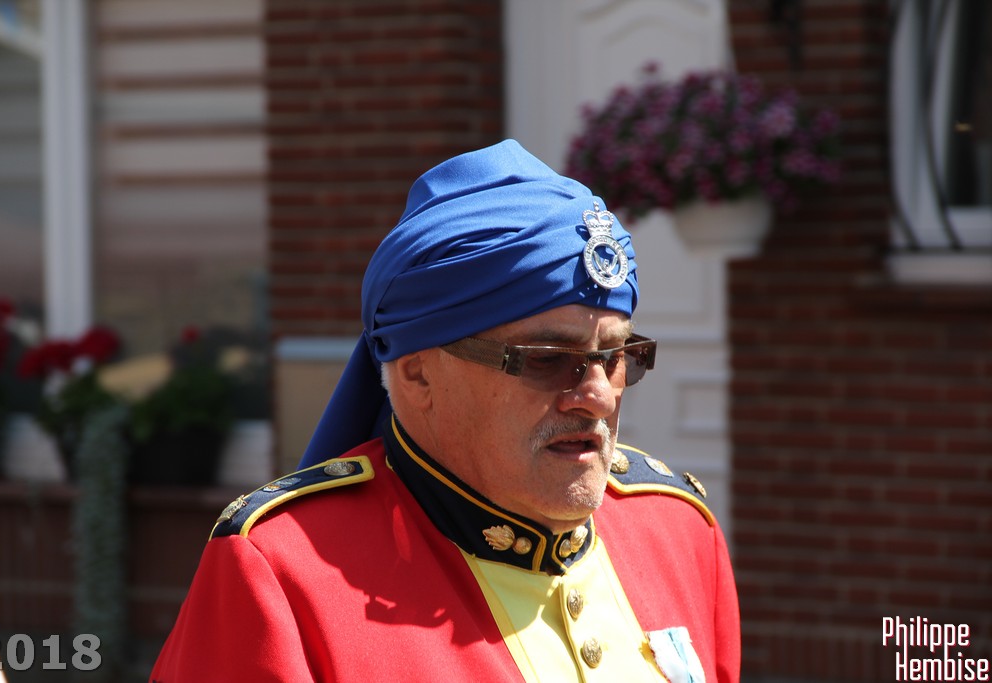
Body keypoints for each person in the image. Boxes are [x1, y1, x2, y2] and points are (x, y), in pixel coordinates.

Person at [149, 140, 740, 682]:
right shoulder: (280, 572)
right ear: (418, 374)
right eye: (547, 359)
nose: (599, 395)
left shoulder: (679, 528)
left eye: (616, 357)